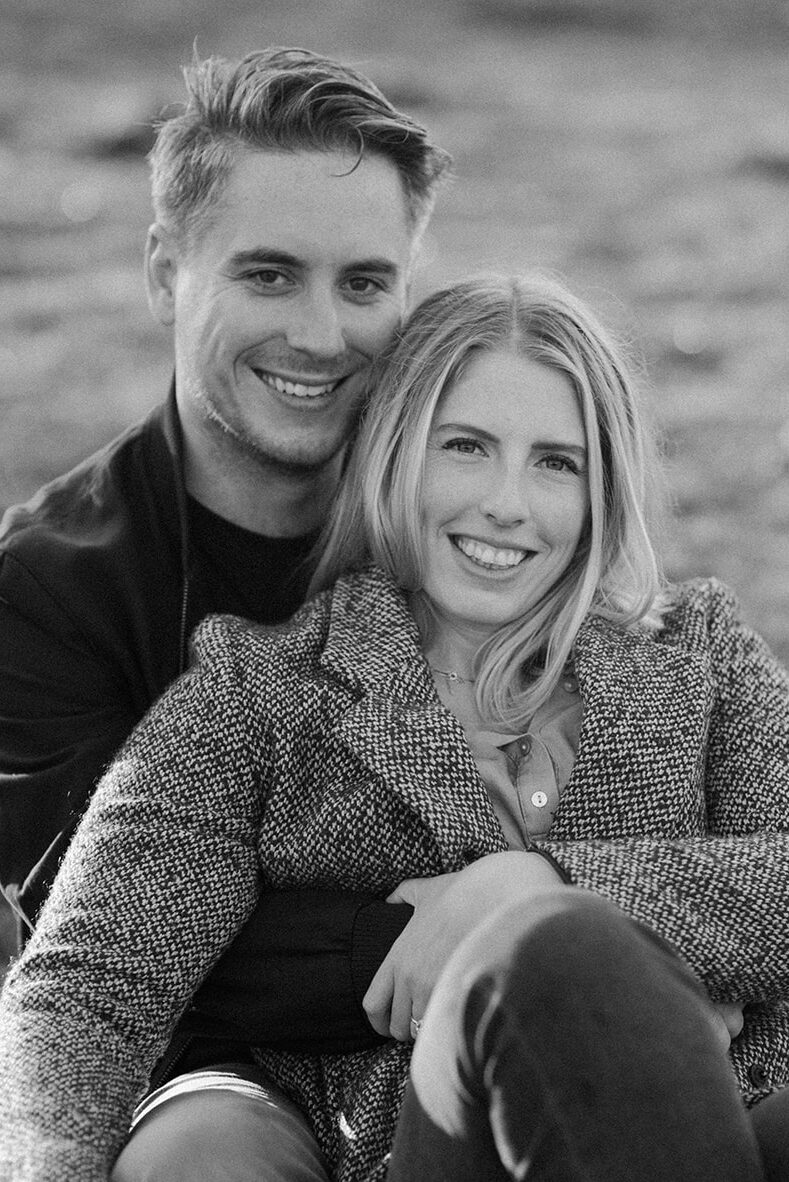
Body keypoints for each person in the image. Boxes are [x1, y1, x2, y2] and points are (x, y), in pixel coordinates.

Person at [1, 273, 788, 1182]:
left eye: (554, 462)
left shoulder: (698, 652)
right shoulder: (258, 694)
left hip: (728, 1126)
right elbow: (90, 991)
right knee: (558, 956)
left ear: (601, 485)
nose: (505, 501)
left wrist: (535, 881)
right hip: (427, 1152)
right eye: (464, 447)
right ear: (393, 451)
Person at [0, 45, 452, 1179]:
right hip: (195, 1086)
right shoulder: (43, 589)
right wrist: (436, 930)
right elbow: (104, 934)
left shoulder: (479, 528)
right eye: (267, 275)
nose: (321, 335)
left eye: (363, 284)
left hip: (477, 1043)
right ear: (165, 273)